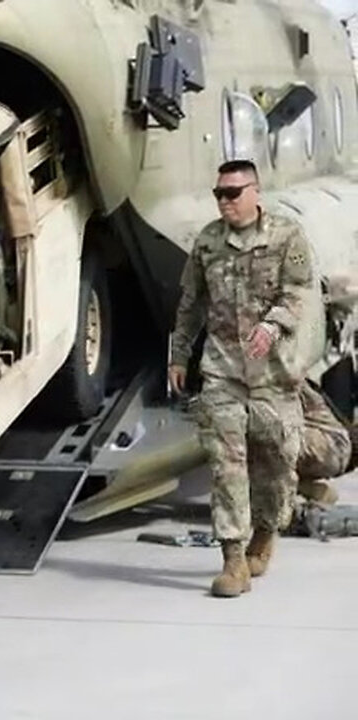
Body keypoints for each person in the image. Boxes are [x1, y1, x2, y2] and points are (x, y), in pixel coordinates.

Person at [169, 159, 316, 598]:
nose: (225, 202)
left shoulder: (287, 235)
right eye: (219, 194)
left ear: (255, 192)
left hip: (274, 371)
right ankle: (232, 559)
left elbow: (300, 293)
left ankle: (265, 534)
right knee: (225, 462)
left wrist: (272, 326)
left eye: (232, 193)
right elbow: (191, 303)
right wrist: (179, 356)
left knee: (277, 459)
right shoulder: (208, 242)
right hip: (223, 370)